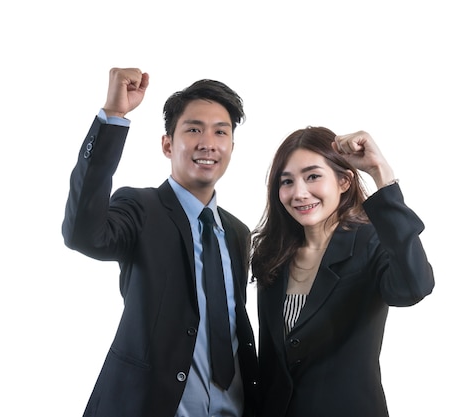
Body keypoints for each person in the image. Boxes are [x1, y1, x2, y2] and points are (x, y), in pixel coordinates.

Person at [62, 67, 258, 417]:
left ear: (231, 146)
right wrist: (114, 116)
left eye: (220, 132)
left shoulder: (239, 233)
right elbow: (83, 234)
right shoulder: (141, 208)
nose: (207, 143)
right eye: (194, 129)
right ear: (168, 144)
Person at [250, 127, 435, 416]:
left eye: (313, 176)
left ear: (344, 181)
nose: (299, 193)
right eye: (287, 181)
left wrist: (380, 172)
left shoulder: (371, 243)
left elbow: (414, 287)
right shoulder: (271, 254)